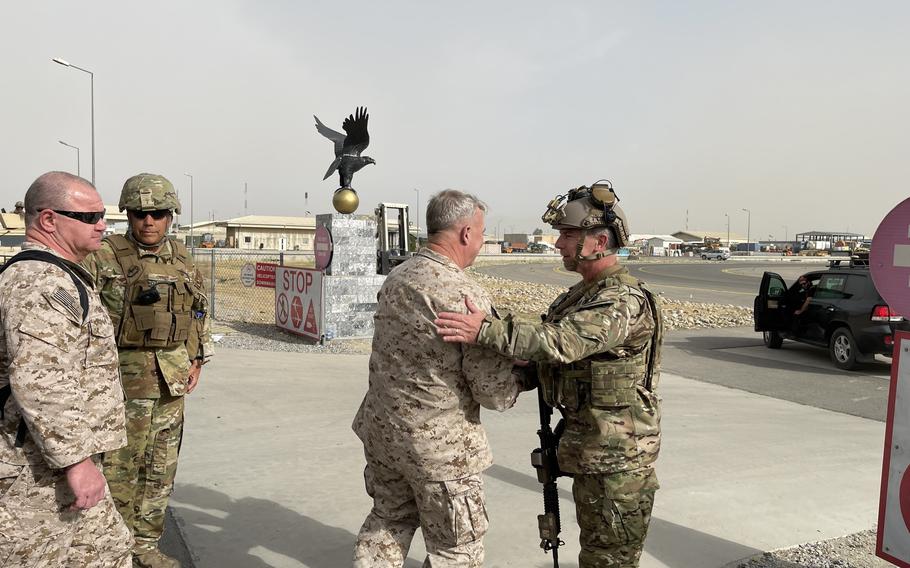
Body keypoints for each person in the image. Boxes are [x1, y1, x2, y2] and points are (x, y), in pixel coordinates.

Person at [435, 181, 664, 568]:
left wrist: (486, 330)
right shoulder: (580, 295)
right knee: (593, 552)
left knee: (608, 560)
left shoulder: (622, 300)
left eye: (568, 235)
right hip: (591, 450)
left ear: (599, 241)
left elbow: (562, 342)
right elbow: (553, 357)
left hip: (619, 462)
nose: (559, 244)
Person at [352, 189, 530, 567]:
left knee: (388, 520)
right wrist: (521, 377)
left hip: (384, 433)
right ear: (466, 233)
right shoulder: (465, 295)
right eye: (481, 234)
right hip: (440, 451)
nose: (481, 243)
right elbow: (492, 393)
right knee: (456, 547)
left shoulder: (397, 277)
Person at [0, 171, 132, 566]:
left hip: (57, 460)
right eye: (89, 216)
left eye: (102, 215)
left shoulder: (61, 276)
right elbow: (42, 381)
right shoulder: (39, 283)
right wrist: (77, 462)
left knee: (107, 554)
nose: (103, 224)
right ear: (48, 220)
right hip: (35, 472)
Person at [82, 173, 213, 568]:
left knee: (160, 469)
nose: (149, 221)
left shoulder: (183, 257)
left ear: (171, 216)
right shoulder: (103, 256)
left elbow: (199, 309)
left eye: (158, 213)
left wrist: (196, 357)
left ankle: (146, 544)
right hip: (122, 383)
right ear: (128, 215)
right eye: (140, 213)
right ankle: (114, 548)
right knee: (120, 470)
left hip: (171, 380)